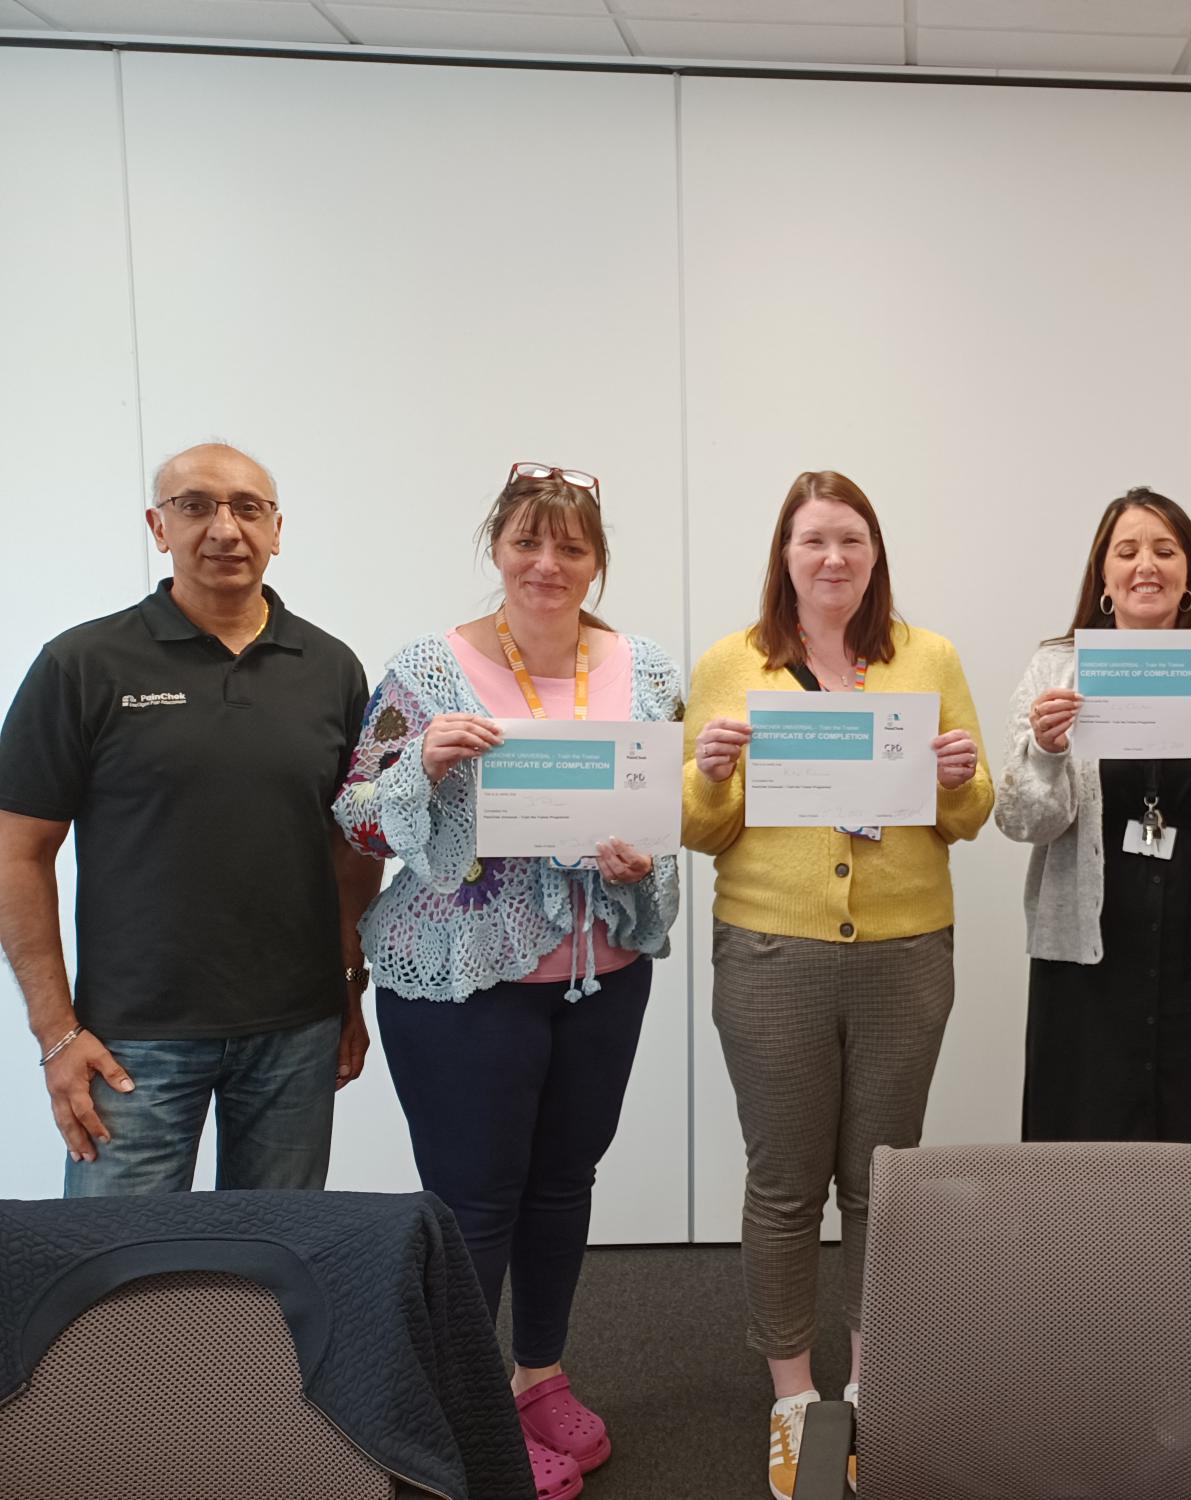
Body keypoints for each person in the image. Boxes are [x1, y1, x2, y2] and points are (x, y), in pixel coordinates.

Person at [332, 463, 681, 1500]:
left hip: (600, 975)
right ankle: (465, 1411)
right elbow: (354, 812)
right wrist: (422, 764)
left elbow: (663, 815)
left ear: (595, 560)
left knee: (563, 1185)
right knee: (475, 1202)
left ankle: (539, 1374)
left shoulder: (646, 669)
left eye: (570, 546)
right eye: (528, 541)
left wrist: (640, 860)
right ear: (498, 548)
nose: (547, 563)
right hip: (459, 983)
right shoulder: (424, 672)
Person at [683, 469, 992, 1500]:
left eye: (851, 541)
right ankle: (791, 1399)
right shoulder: (734, 664)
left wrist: (957, 776)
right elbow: (698, 827)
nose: (832, 560)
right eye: (813, 541)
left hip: (905, 955)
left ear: (874, 554)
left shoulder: (927, 656)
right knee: (783, 1185)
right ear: (784, 554)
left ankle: (866, 1388)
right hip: (772, 953)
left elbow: (971, 813)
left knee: (879, 1185)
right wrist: (713, 770)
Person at [0, 442, 377, 1196]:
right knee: (114, 1284)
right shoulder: (82, 664)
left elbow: (349, 847)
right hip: (130, 1042)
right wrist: (56, 1034)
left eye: (247, 508)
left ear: (277, 529)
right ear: (157, 526)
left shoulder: (332, 669)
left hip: (295, 1034)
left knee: (272, 1275)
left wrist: (346, 987)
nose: (224, 529)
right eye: (195, 506)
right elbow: (18, 852)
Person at [994, 486, 1191, 1145]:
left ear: (1189, 573)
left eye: (1165, 550)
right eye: (1128, 550)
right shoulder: (1057, 669)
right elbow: (1023, 819)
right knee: (1081, 1154)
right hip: (1087, 957)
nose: (1147, 564)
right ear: (1104, 576)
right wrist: (1048, 751)